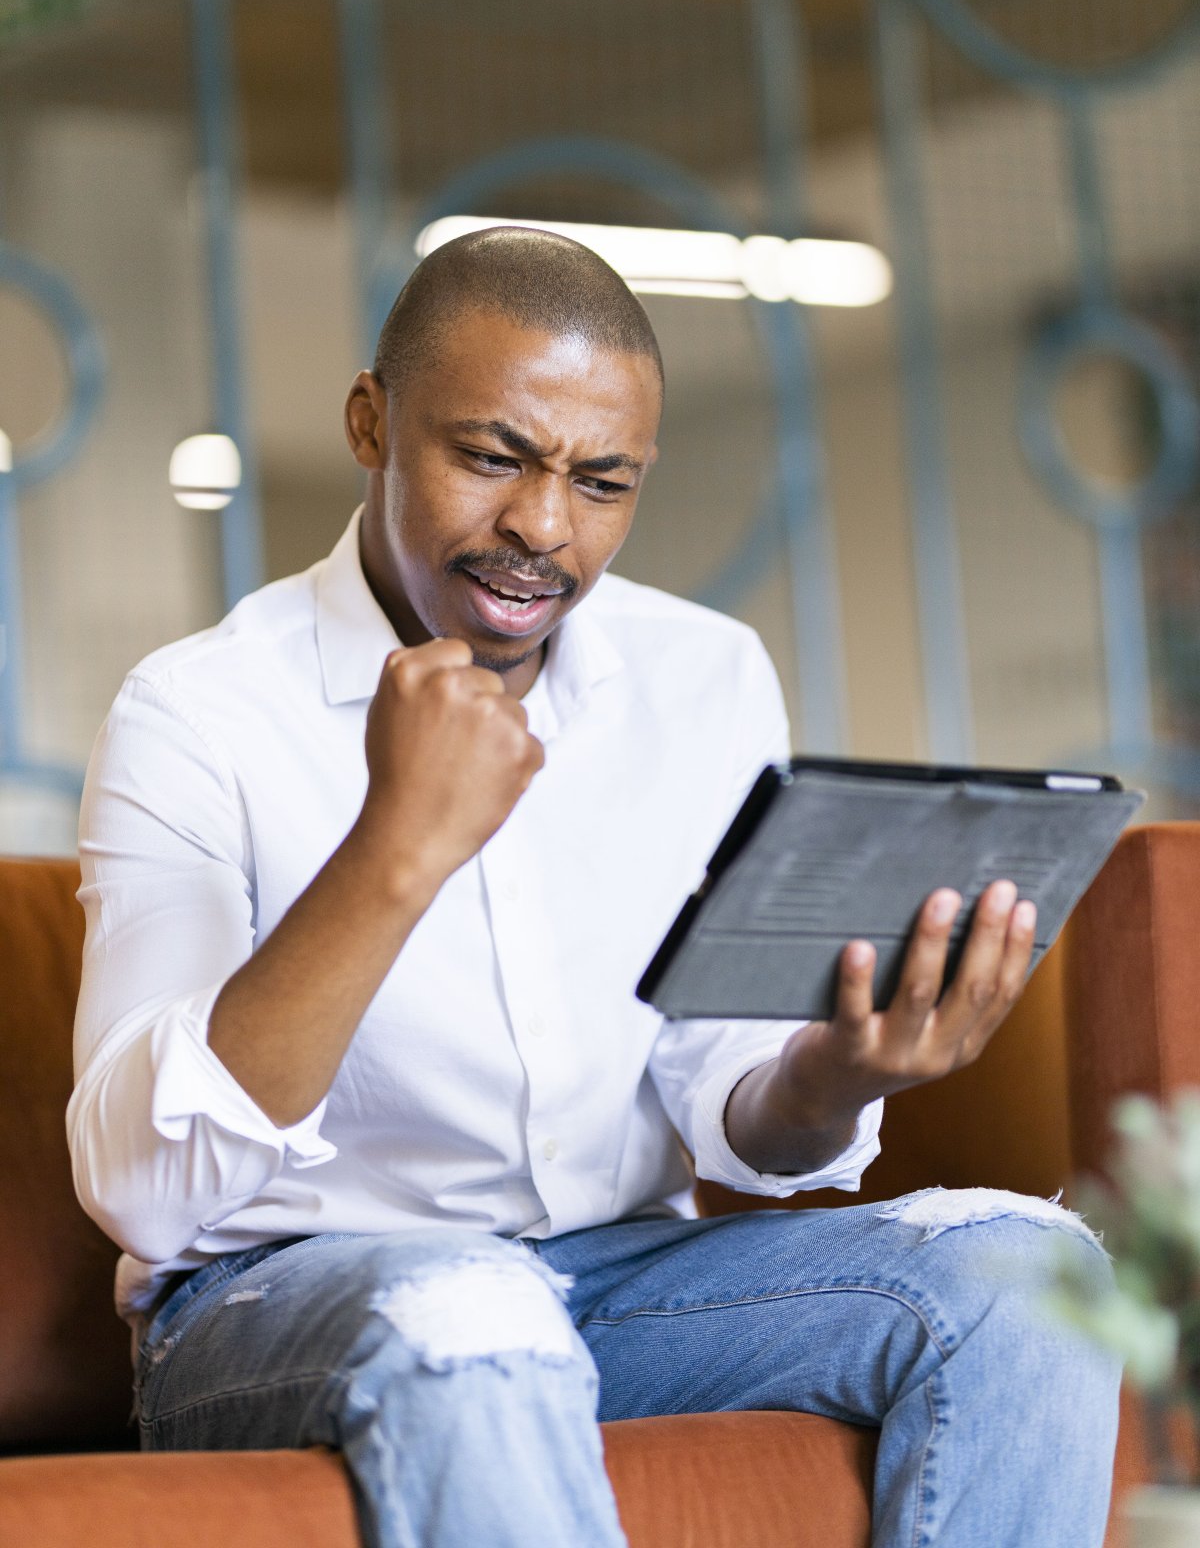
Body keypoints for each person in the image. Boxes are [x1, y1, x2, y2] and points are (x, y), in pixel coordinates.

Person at [69, 227, 1118, 1548]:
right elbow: (144, 1191)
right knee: (472, 1303)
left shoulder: (705, 674)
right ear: (370, 420)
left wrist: (840, 1073)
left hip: (621, 1280)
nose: (544, 527)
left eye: (602, 480)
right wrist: (397, 849)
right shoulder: (199, 709)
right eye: (493, 456)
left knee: (1030, 1272)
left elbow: (729, 1096)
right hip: (273, 1304)